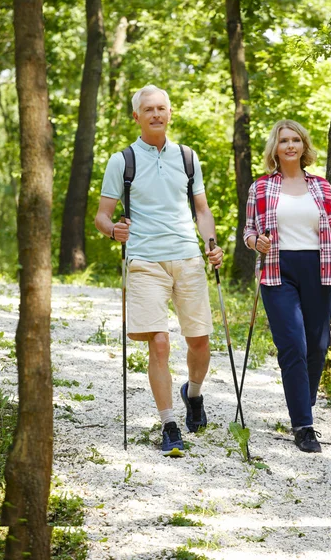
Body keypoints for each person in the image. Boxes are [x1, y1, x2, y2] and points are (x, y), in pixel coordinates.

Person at [95, 84, 223, 457]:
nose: (155, 114)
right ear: (136, 116)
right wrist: (113, 229)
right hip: (145, 261)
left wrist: (211, 245)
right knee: (161, 342)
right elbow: (103, 215)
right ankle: (169, 424)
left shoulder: (187, 156)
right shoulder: (122, 161)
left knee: (199, 341)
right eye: (148, 109)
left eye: (161, 108)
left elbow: (201, 210)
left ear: (170, 113)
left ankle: (193, 394)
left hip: (187, 257)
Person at [244, 119, 331, 453]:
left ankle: (302, 404)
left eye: (296, 140)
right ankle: (303, 425)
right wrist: (257, 243)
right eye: (284, 140)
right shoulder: (262, 188)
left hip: (318, 268)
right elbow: (248, 232)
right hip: (277, 270)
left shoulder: (322, 187)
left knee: (317, 345)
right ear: (276, 148)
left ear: (304, 146)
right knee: (293, 345)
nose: (290, 145)